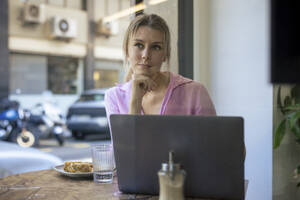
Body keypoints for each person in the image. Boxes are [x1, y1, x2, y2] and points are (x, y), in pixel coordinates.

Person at [105, 14, 216, 122]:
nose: (145, 55)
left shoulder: (195, 93)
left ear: (165, 55)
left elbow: (212, 140)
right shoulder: (114, 97)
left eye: (156, 47)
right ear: (126, 50)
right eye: (139, 45)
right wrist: (135, 101)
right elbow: (126, 141)